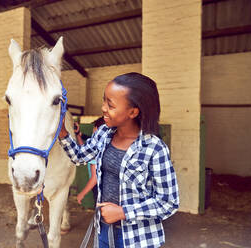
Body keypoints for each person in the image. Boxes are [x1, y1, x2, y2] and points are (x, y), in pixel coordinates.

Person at [58, 72, 179, 248]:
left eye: (110, 104)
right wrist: (62, 133)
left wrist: (123, 212)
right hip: (104, 229)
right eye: (104, 101)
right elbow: (79, 157)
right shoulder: (104, 134)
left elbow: (169, 202)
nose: (103, 108)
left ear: (133, 112)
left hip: (137, 238)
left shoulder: (154, 149)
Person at [74, 117, 105, 205]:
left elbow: (94, 178)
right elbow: (86, 151)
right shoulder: (106, 144)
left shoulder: (97, 149)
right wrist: (78, 134)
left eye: (94, 128)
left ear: (97, 129)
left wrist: (82, 194)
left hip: (99, 188)